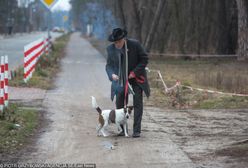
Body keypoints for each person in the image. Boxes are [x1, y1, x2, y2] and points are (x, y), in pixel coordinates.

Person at [105, 28, 150, 138]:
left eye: (119, 42)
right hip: (120, 79)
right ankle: (121, 129)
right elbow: (109, 66)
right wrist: (112, 75)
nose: (117, 44)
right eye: (115, 42)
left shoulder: (135, 45)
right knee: (120, 102)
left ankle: (136, 130)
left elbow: (144, 59)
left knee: (137, 102)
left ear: (124, 39)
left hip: (136, 78)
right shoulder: (110, 49)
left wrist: (134, 72)